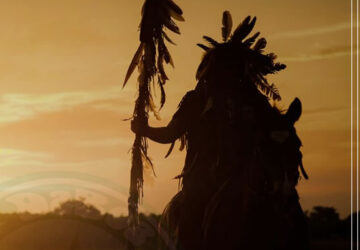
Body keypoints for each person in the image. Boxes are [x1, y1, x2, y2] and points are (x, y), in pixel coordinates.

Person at [131, 13, 309, 250]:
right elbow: (170, 134)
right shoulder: (196, 101)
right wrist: (144, 130)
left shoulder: (254, 100)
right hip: (203, 177)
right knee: (192, 209)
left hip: (249, 174)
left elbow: (277, 130)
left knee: (289, 211)